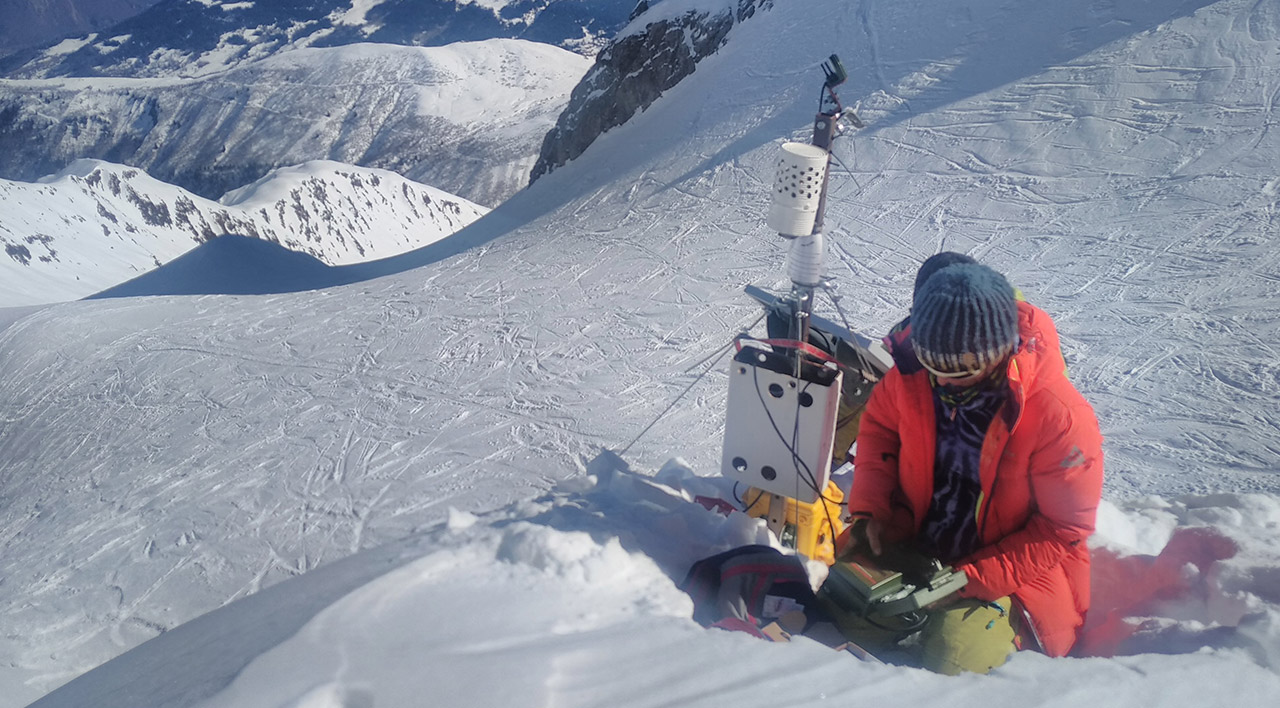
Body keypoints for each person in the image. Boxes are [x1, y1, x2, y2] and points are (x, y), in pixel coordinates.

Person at [838, 262, 1103, 674]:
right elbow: (878, 429)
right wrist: (871, 510)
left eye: (959, 369)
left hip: (1015, 578)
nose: (942, 382)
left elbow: (1062, 532)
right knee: (840, 608)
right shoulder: (915, 375)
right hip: (921, 548)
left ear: (998, 351)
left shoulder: (1060, 417)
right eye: (933, 366)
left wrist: (967, 579)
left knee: (951, 659)